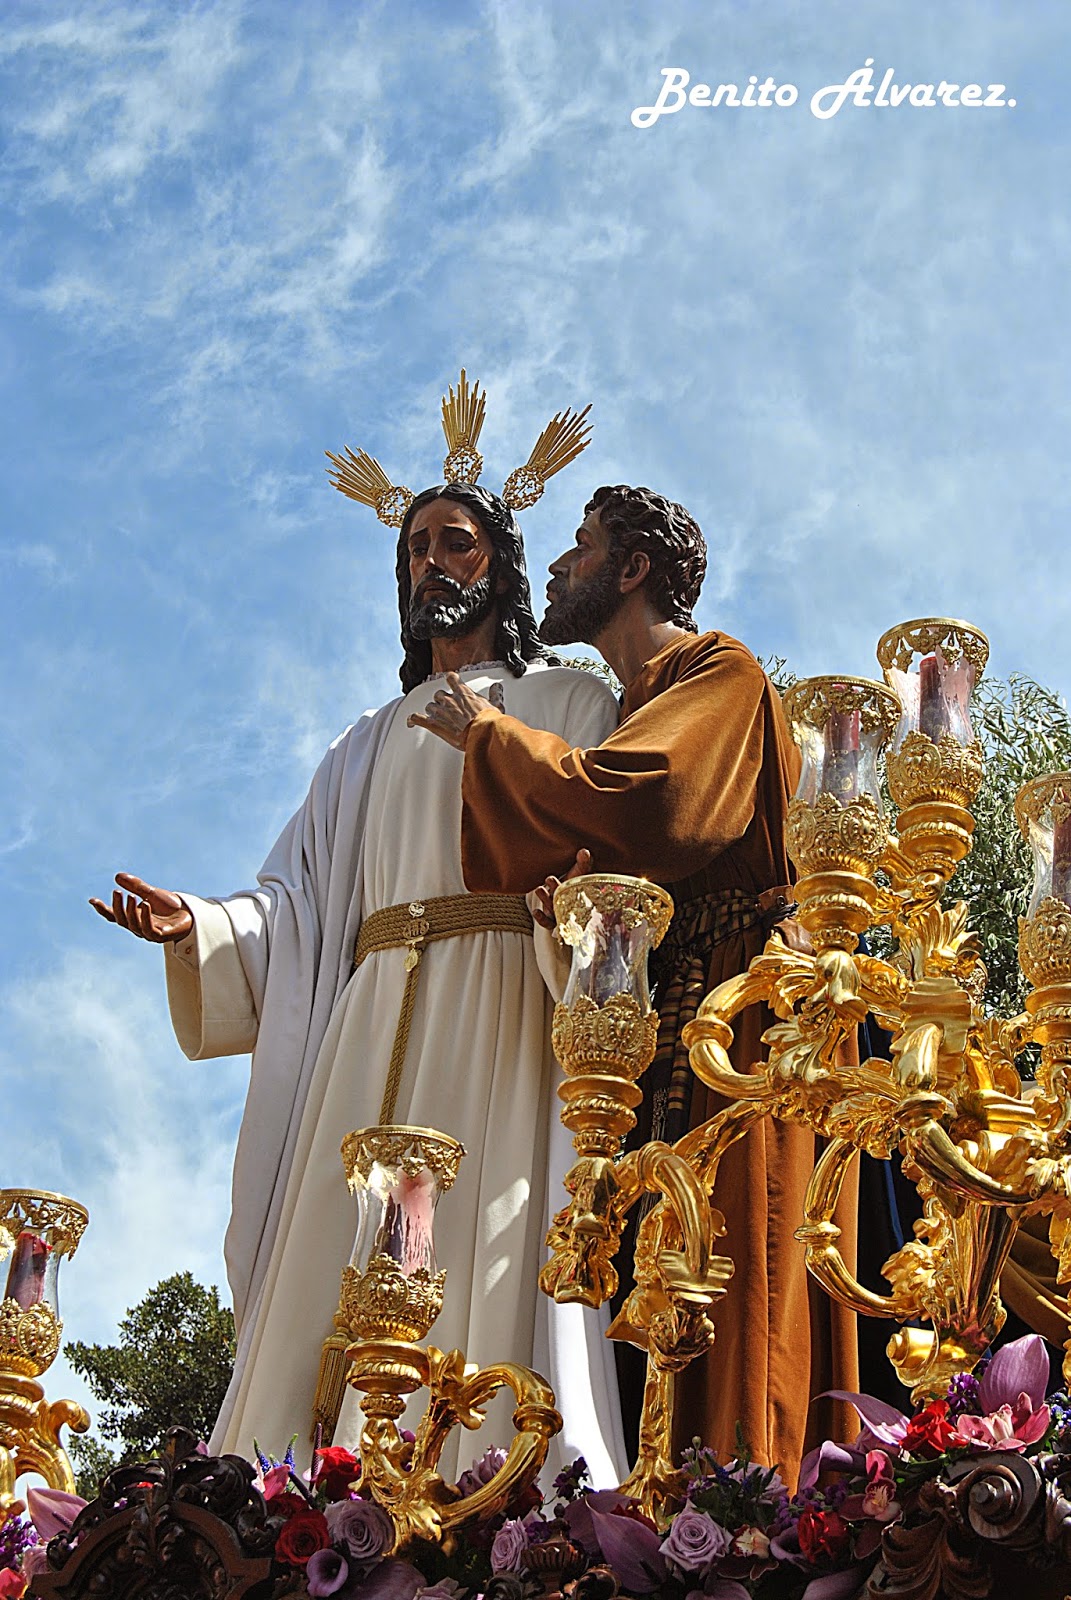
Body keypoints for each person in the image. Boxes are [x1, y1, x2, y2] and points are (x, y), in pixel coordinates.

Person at [90, 411, 626, 1481]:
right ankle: (304, 1492)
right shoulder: (362, 744)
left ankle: (492, 1479)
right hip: (370, 1014)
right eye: (415, 548)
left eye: (455, 541)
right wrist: (204, 926)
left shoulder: (571, 698)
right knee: (326, 1264)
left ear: (502, 565)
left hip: (507, 995)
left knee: (499, 1225)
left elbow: (612, 855)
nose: (431, 560)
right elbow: (295, 904)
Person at [410, 483, 860, 1487]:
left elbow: (658, 805)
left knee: (727, 1277)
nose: (560, 567)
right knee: (631, 1282)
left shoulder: (719, 669)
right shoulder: (624, 704)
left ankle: (743, 1521)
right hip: (647, 1024)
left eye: (580, 547)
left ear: (634, 567)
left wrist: (489, 737)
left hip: (742, 1021)